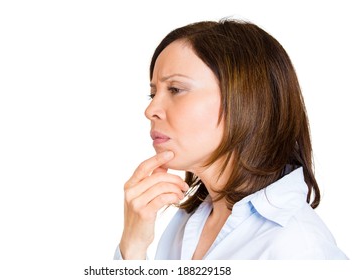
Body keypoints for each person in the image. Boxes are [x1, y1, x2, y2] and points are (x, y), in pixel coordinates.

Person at [114, 18, 348, 260]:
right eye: (152, 93)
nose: (151, 109)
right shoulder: (186, 223)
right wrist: (132, 248)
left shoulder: (299, 248)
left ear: (245, 101)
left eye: (175, 89)